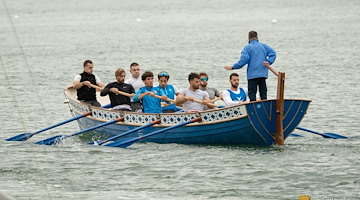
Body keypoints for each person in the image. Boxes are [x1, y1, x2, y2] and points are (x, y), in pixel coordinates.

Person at [224, 30, 276, 102]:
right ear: (257, 37)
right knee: (263, 93)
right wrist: (268, 62)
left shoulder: (248, 48)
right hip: (263, 74)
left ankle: (253, 109)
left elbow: (243, 60)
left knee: (252, 94)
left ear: (248, 38)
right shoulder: (263, 46)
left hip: (252, 75)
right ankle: (265, 107)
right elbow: (273, 53)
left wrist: (233, 67)